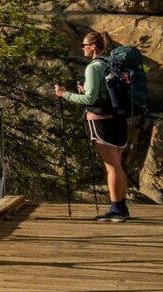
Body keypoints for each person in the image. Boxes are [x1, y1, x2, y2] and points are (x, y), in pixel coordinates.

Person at [52, 31, 130, 222]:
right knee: (118, 165)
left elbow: (89, 99)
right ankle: (121, 206)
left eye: (84, 45)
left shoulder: (93, 67)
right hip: (118, 119)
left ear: (94, 46)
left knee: (111, 167)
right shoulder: (109, 64)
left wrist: (64, 94)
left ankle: (115, 209)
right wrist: (85, 90)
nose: (83, 48)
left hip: (101, 120)